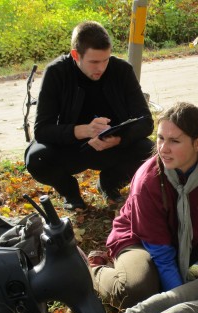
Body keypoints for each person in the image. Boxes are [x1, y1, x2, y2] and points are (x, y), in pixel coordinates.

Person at [90, 102, 198, 309]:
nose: (163, 149)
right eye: (160, 138)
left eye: (174, 141)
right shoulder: (147, 181)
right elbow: (162, 254)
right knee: (137, 291)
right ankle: (91, 270)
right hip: (141, 243)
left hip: (188, 237)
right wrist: (182, 301)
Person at [24, 21, 154, 210]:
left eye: (105, 60)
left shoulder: (122, 70)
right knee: (37, 159)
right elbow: (42, 130)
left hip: (113, 145)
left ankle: (109, 184)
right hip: (73, 147)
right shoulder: (56, 73)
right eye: (94, 62)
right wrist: (83, 131)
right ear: (76, 55)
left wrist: (118, 138)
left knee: (152, 152)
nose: (100, 68)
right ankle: (71, 194)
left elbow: (146, 122)